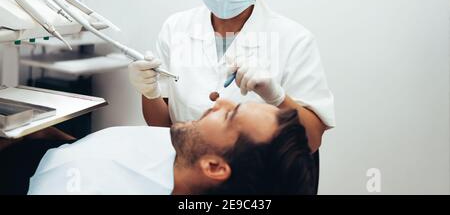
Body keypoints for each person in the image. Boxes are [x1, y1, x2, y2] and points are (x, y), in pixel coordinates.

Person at [128, 0, 335, 153]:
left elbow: (312, 140)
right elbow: (162, 128)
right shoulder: (175, 28)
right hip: (186, 172)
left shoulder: (295, 41)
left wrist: (277, 97)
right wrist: (149, 92)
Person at [22, 99, 315, 195]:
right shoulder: (184, 149)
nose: (219, 102)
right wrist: (57, 142)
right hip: (43, 148)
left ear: (214, 167)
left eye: (229, 115)